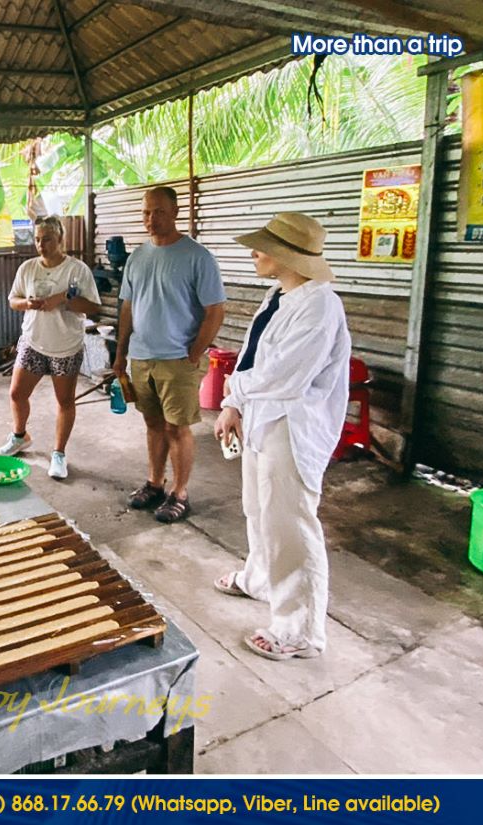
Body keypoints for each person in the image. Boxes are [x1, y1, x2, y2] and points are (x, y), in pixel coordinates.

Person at [213, 213, 351, 661]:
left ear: (287, 256)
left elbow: (284, 377)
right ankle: (259, 578)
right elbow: (253, 357)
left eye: (262, 246)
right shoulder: (278, 295)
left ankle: (300, 630)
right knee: (258, 509)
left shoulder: (319, 306)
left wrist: (235, 392)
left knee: (290, 522)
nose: (254, 253)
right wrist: (233, 404)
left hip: (292, 429)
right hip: (261, 421)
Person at [112, 187, 226, 522]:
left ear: (175, 212)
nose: (151, 219)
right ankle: (154, 483)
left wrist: (193, 353)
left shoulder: (197, 257)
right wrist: (121, 352)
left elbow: (215, 311)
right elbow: (128, 309)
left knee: (178, 429)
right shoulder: (137, 257)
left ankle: (180, 493)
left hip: (178, 361)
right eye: (146, 212)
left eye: (159, 211)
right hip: (141, 357)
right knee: (153, 424)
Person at [0, 215, 101, 480]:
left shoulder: (77, 270)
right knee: (17, 393)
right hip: (33, 341)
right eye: (37, 239)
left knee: (64, 401)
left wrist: (65, 301)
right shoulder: (28, 268)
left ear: (60, 239)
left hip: (66, 345)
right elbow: (13, 300)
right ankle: (20, 436)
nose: (41, 245)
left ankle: (58, 454)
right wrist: (27, 303)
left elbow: (93, 307)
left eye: (47, 239)